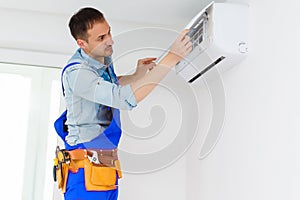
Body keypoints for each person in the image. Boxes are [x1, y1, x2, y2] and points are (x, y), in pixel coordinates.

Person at [57, 7, 192, 200]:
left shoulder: (101, 57)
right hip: (85, 174)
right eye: (101, 38)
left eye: (109, 32)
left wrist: (137, 76)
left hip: (104, 170)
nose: (110, 40)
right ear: (82, 43)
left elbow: (108, 88)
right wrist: (172, 58)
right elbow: (123, 99)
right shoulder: (77, 74)